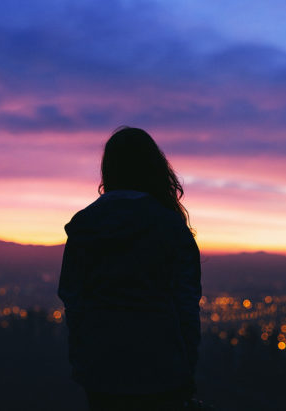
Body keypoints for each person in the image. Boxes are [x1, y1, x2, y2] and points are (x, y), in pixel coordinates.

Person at [58, 127, 203, 410]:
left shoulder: (84, 225)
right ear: (154, 168)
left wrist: (82, 360)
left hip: (101, 370)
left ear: (109, 169)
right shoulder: (169, 227)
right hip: (161, 368)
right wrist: (187, 368)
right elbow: (186, 305)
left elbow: (72, 299)